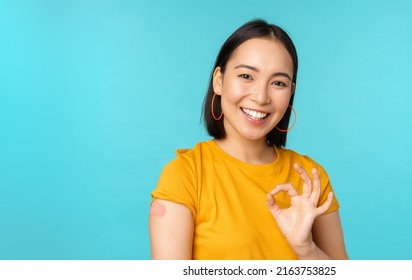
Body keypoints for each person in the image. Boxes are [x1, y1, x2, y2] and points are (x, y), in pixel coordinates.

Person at [149, 19, 348, 260]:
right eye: (246, 76)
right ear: (219, 81)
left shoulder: (311, 177)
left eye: (278, 83)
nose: (261, 96)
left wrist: (306, 248)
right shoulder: (185, 175)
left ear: (290, 93)